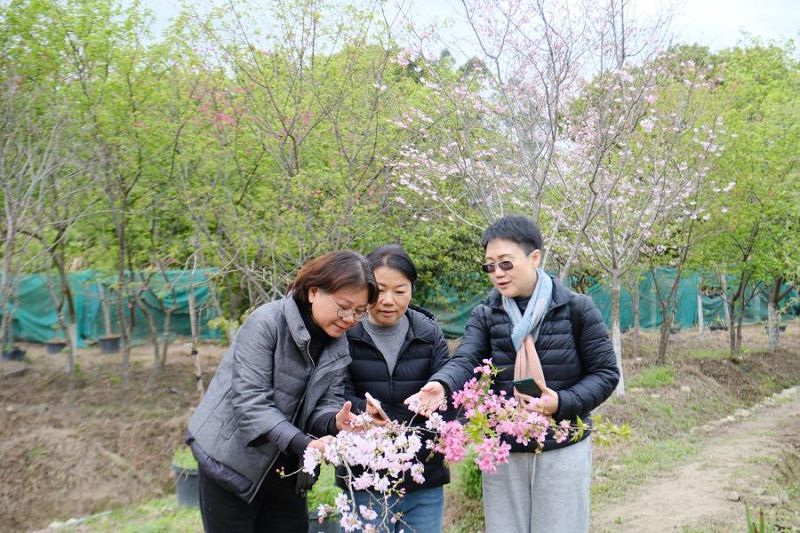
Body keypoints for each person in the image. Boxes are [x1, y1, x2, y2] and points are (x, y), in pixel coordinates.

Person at [406, 215, 620, 533]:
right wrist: (442, 383)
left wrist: (560, 402)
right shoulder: (487, 313)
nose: (497, 274)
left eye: (505, 263)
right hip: (504, 446)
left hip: (560, 445)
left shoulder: (576, 308)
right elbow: (466, 360)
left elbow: (605, 373)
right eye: (489, 266)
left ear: (534, 257)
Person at [186, 251, 379, 533]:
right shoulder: (266, 323)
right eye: (343, 306)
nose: (350, 318)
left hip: (287, 469)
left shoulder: (338, 343)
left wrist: (339, 420)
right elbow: (251, 403)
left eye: (360, 311)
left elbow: (325, 403)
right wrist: (305, 444)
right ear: (314, 292)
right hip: (230, 464)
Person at [340, 245, 451, 533]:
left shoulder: (428, 332)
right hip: (363, 474)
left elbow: (449, 386)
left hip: (423, 475)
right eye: (379, 290)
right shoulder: (345, 332)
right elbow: (334, 390)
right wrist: (363, 410)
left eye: (400, 291)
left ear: (412, 289)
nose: (388, 301)